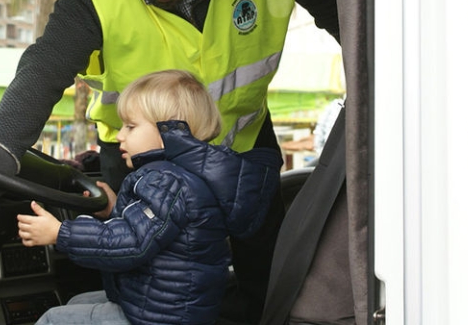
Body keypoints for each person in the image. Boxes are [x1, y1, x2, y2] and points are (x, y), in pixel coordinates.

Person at [0, 0, 340, 322]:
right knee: (134, 279)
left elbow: (343, 8)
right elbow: (44, 69)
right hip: (137, 158)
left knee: (264, 274)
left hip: (240, 147)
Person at [17, 70, 283, 324]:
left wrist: (60, 233)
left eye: (131, 127)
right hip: (164, 306)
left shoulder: (167, 181)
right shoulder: (177, 176)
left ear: (169, 133)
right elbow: (154, 229)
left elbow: (132, 243)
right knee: (77, 302)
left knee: (53, 319)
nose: (120, 135)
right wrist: (113, 210)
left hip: (162, 317)